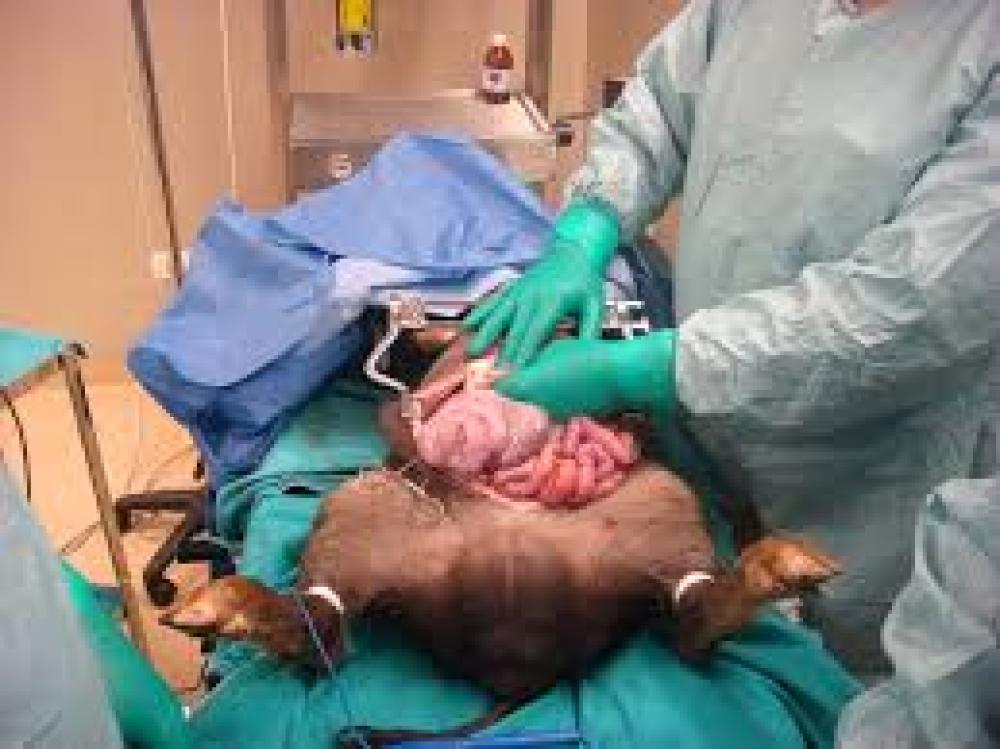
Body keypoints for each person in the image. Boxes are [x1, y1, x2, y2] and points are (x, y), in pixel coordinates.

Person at [465, 0, 999, 677]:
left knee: (834, 690)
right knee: (692, 623)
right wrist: (587, 229)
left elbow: (912, 305)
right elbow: (658, 113)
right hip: (705, 440)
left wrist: (652, 367)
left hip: (868, 491)